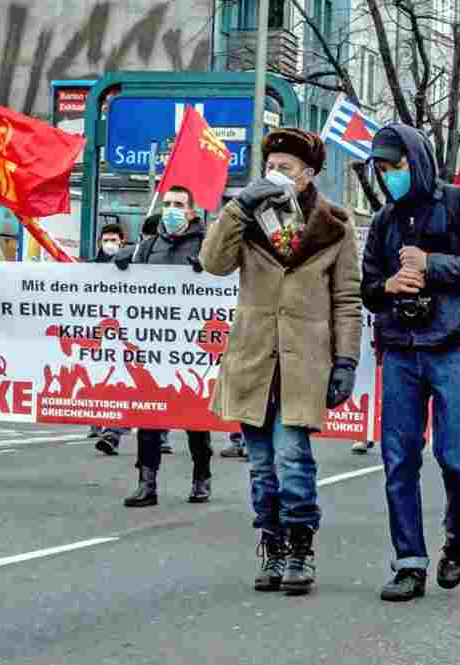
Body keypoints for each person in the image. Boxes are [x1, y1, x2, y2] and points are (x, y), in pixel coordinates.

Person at [200, 128, 362, 596]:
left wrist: (346, 359)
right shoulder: (248, 218)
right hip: (254, 358)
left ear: (308, 174)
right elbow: (213, 263)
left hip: (304, 361)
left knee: (293, 459)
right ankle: (270, 544)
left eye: (286, 168)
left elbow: (347, 299)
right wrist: (238, 205)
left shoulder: (335, 224)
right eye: (270, 166)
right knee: (261, 465)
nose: (275, 174)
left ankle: (298, 547)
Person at [361, 124, 460, 602]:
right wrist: (386, 288)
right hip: (401, 352)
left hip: (455, 347)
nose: (390, 178)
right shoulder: (384, 221)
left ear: (418, 161)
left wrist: (431, 263)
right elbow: (366, 287)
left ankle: (458, 538)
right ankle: (409, 562)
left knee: (458, 460)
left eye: (397, 167)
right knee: (398, 460)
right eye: (383, 171)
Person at [115, 186, 212, 506]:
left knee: (194, 417)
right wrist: (123, 258)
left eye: (178, 204)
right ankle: (147, 482)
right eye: (167, 203)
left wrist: (207, 267)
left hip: (190, 346)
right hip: (153, 345)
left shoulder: (205, 244)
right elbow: (126, 272)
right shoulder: (149, 244)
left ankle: (201, 476)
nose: (171, 209)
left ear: (191, 212)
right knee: (149, 414)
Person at [88, 223, 132, 455]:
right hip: (101, 337)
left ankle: (113, 432)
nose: (109, 244)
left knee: (127, 385)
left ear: (122, 242)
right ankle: (104, 425)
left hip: (125, 336)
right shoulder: (93, 268)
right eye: (106, 240)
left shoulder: (132, 264)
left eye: (113, 240)